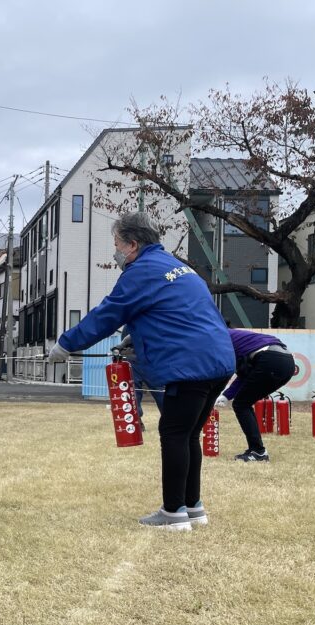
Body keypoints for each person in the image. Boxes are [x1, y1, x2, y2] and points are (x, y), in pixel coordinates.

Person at [48, 212, 234, 531]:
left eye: (117, 244)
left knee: (174, 433)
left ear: (132, 244)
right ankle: (193, 508)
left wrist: (66, 344)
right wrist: (139, 336)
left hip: (189, 364)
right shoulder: (178, 266)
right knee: (189, 434)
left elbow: (107, 315)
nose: (116, 251)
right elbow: (177, 313)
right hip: (219, 359)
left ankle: (173, 513)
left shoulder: (141, 271)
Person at [216, 328, 295, 462]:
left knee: (241, 404)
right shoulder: (234, 336)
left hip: (270, 359)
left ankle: (258, 451)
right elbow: (245, 373)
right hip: (288, 361)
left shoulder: (219, 338)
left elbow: (228, 371)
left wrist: (217, 394)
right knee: (244, 403)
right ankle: (257, 450)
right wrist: (226, 395)